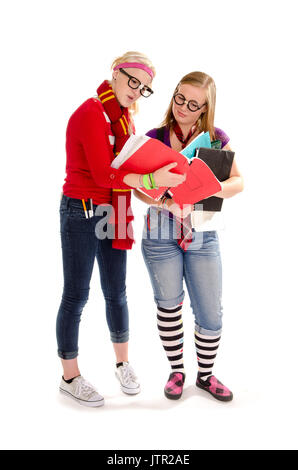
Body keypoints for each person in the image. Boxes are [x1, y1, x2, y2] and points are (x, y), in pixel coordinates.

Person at [56, 51, 186, 407]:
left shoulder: (126, 121)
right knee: (77, 296)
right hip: (80, 213)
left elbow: (126, 179)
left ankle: (122, 363)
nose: (136, 90)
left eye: (144, 88)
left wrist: (161, 198)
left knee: (117, 292)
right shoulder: (90, 113)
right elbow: (103, 175)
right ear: (115, 73)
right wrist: (149, 177)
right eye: (133, 81)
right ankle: (70, 377)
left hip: (114, 210)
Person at [135, 71, 244, 402]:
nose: (182, 107)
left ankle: (206, 376)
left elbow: (239, 182)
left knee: (210, 311)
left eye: (192, 103)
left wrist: (211, 189)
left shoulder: (215, 139)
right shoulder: (154, 137)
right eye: (179, 98)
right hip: (160, 231)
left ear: (205, 108)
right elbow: (137, 189)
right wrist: (164, 198)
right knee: (168, 305)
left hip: (202, 230)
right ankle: (177, 371)